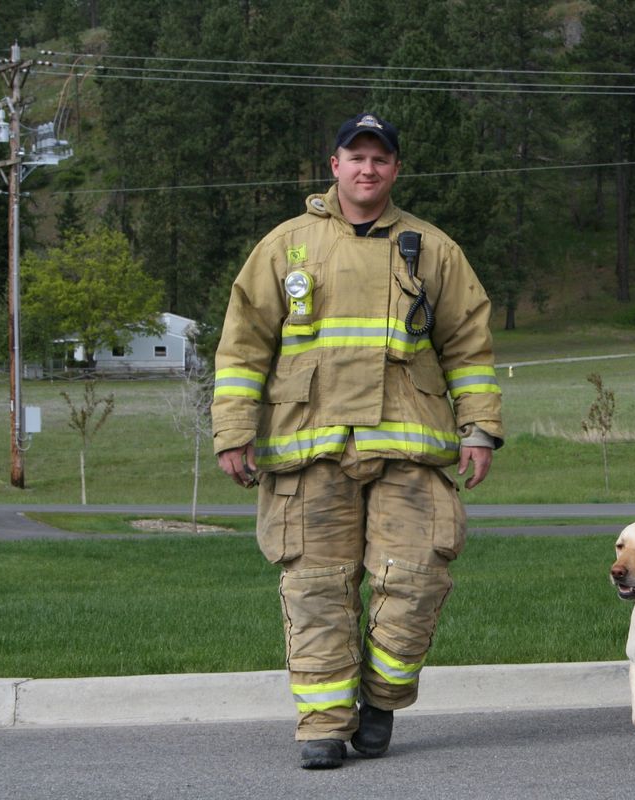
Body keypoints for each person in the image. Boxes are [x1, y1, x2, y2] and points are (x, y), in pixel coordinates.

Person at [211, 112, 504, 770]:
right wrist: (233, 430)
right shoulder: (284, 247)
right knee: (316, 589)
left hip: (410, 449)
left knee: (417, 582)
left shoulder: (432, 249)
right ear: (335, 165)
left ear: (395, 170)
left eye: (380, 158)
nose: (367, 168)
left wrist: (479, 429)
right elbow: (242, 347)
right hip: (308, 452)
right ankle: (322, 723)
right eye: (356, 156)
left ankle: (381, 699)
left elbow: (468, 347)